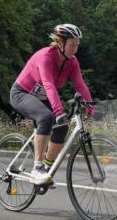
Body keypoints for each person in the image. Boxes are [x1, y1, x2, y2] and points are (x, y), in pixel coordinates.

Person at [10, 23, 95, 185]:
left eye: (77, 45)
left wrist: (92, 109)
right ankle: (37, 169)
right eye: (72, 45)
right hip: (21, 93)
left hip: (41, 97)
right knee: (47, 117)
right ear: (60, 43)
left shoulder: (72, 62)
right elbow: (48, 84)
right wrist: (58, 110)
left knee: (62, 126)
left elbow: (80, 85)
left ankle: (47, 170)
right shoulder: (46, 57)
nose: (75, 49)